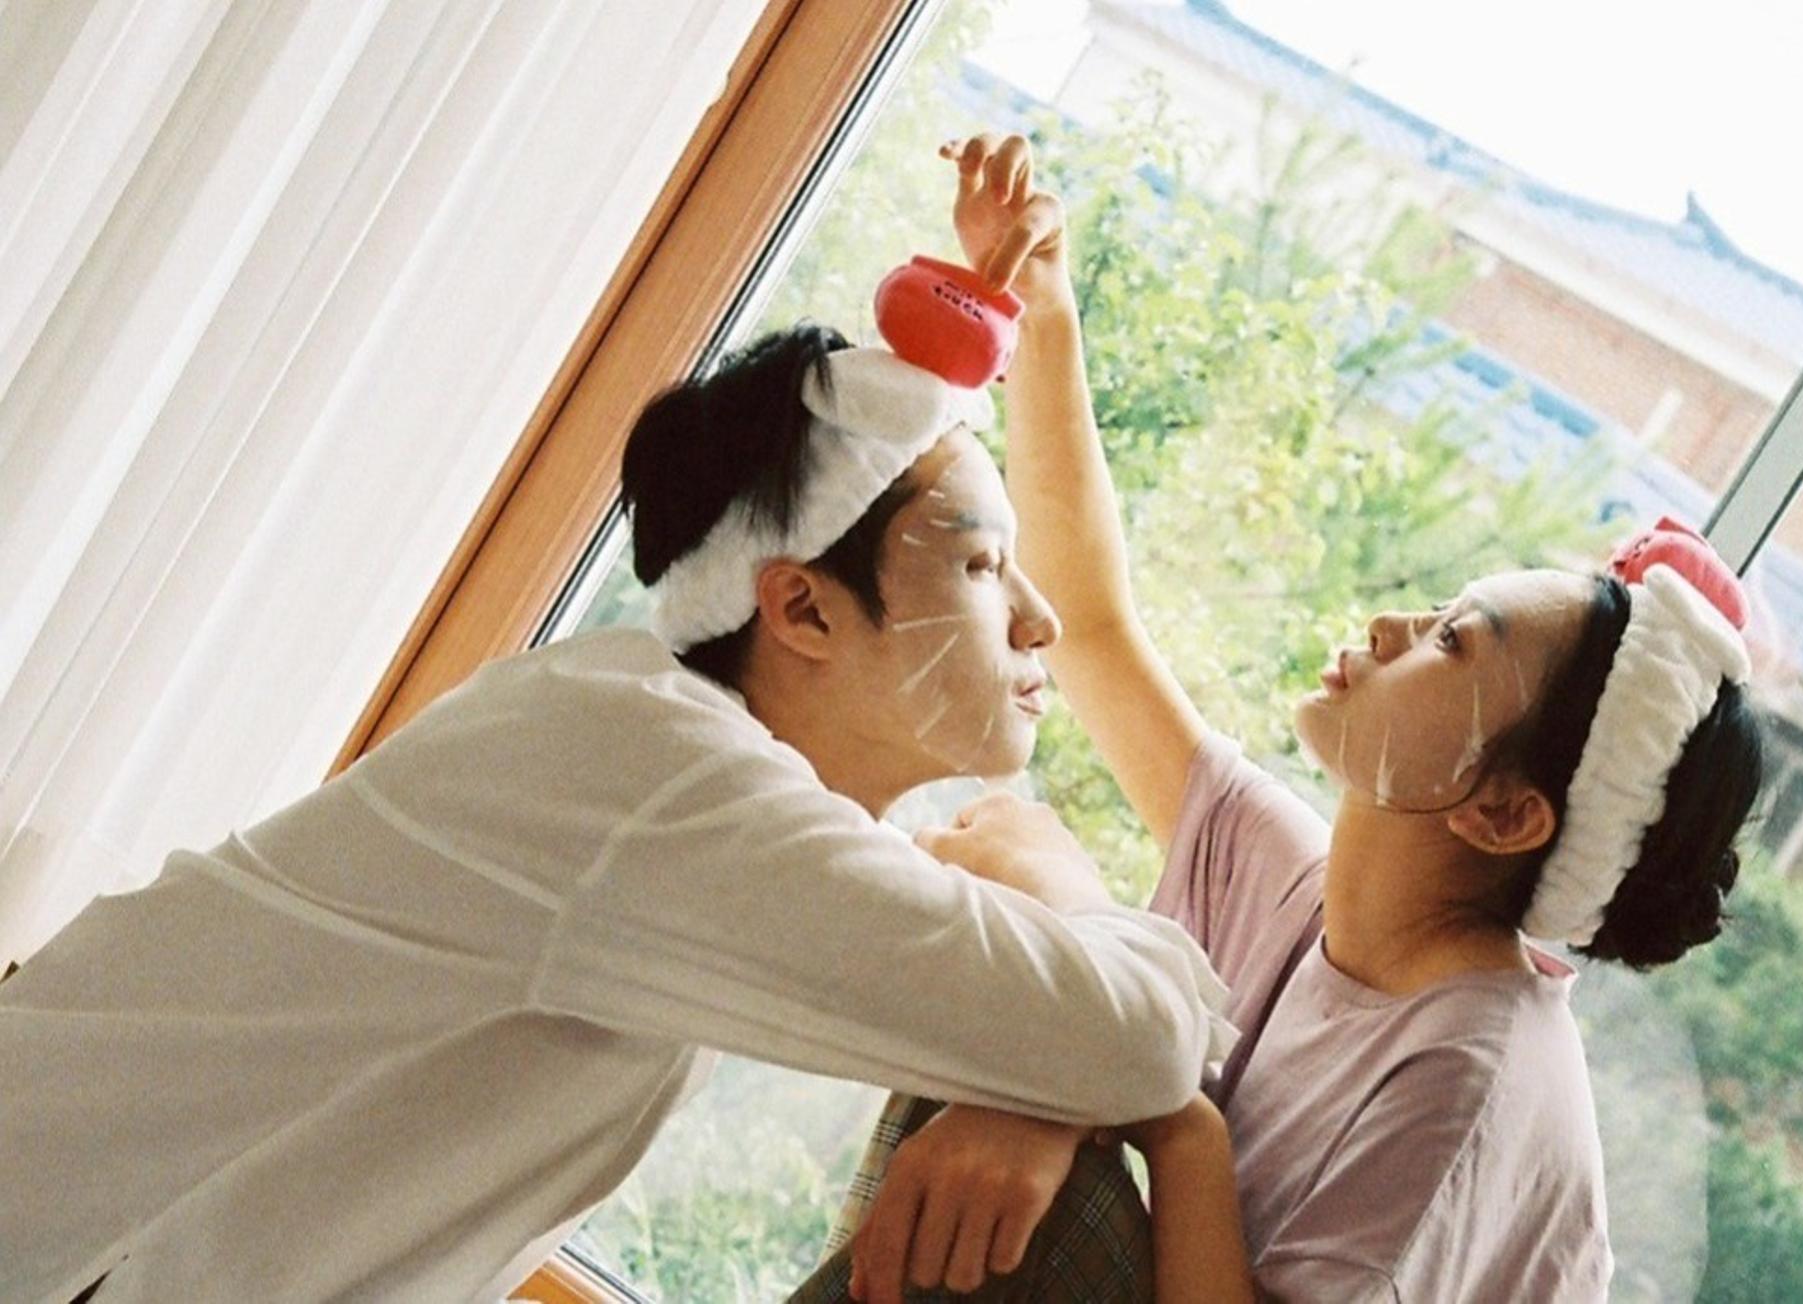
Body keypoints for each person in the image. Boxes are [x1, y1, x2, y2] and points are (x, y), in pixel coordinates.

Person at [0, 318, 1236, 1302]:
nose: (1038, 618)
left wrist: (1023, 1077)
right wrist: (1056, 877)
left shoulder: (647, 741)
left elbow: (1094, 1039)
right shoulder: (667, 789)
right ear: (801, 609)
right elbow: (1140, 1043)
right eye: (978, 565)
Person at [837, 134, 1764, 1303]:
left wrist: (1162, 1110)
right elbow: (1092, 626)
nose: (1390, 626)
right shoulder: (1304, 886)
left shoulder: (1469, 1073)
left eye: (1451, 641)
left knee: (1059, 1057)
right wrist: (1047, 308)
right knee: (1037, 1004)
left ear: (1502, 811)